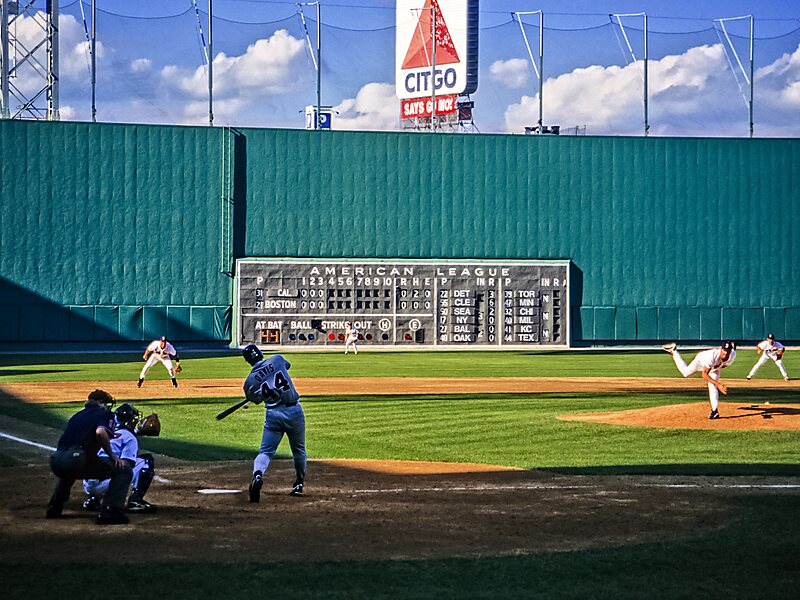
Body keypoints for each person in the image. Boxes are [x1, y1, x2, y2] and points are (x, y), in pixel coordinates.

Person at [46, 389, 133, 525]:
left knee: (70, 471)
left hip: (56, 460)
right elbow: (100, 433)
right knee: (124, 469)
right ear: (99, 402)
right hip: (75, 458)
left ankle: (54, 506)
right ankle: (111, 511)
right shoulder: (104, 414)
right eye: (106, 404)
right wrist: (113, 456)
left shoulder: (77, 415)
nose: (108, 407)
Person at [241, 343, 306, 501]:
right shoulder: (276, 359)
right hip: (294, 411)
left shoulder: (249, 383)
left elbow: (256, 399)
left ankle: (257, 475)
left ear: (248, 361)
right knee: (298, 450)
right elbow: (287, 366)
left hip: (273, 415)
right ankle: (299, 483)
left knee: (265, 452)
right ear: (260, 353)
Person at [83, 403, 158, 514]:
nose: (135, 420)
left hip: (88, 484)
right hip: (105, 484)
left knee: (103, 460)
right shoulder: (130, 438)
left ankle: (93, 499)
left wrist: (138, 432)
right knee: (145, 461)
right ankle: (135, 501)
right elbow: (127, 464)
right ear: (129, 420)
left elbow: (122, 435)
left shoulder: (106, 431)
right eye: (133, 418)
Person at [661, 341, 737, 419]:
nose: (725, 352)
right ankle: (674, 351)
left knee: (712, 385)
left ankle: (714, 411)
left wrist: (716, 383)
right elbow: (704, 374)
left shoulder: (733, 355)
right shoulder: (712, 356)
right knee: (685, 373)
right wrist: (719, 385)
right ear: (721, 349)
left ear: (731, 351)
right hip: (700, 362)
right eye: (724, 350)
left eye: (728, 350)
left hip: (714, 368)